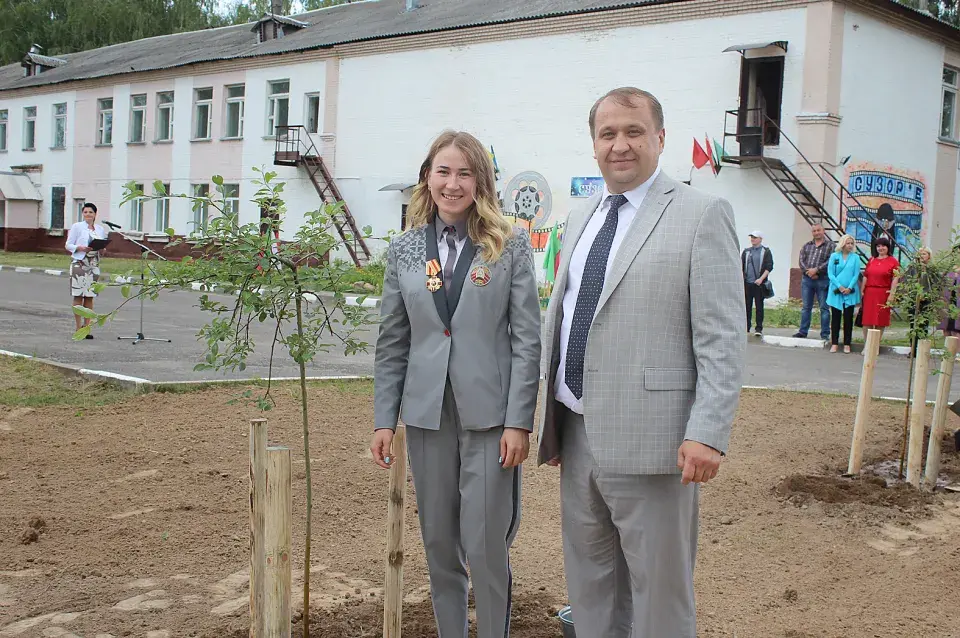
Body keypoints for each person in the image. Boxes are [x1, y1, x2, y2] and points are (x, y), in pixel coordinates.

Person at [536, 87, 745, 638]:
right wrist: (553, 421)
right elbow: (569, 319)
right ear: (594, 144)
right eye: (608, 134)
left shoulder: (702, 214)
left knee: (659, 599)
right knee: (590, 589)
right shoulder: (583, 218)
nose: (620, 145)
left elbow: (722, 336)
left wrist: (709, 431)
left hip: (658, 445)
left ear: (659, 137)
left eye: (633, 131)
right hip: (577, 435)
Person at [370, 130, 541, 638]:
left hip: (490, 419)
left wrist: (519, 422)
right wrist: (385, 418)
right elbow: (392, 341)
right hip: (426, 415)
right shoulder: (403, 249)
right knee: (440, 544)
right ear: (427, 177)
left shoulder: (507, 247)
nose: (453, 183)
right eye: (443, 171)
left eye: (464, 173)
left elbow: (527, 341)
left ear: (480, 181)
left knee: (486, 545)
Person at [65, 202, 107, 339]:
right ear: (82, 214)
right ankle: (78, 328)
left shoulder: (100, 229)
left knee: (89, 296)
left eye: (91, 212)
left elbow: (102, 246)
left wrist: (102, 249)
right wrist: (80, 247)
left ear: (95, 214)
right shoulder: (77, 227)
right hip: (79, 263)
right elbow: (68, 244)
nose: (88, 214)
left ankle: (87, 327)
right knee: (78, 296)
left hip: (93, 265)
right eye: (85, 212)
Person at [794, 224, 835, 340]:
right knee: (806, 307)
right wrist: (809, 272)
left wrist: (817, 270)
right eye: (814, 231)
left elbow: (830, 261)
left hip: (823, 280)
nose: (816, 233)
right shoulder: (807, 246)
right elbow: (801, 261)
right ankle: (802, 331)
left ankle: (825, 334)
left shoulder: (831, 246)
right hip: (807, 280)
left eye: (818, 230)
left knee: (824, 308)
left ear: (823, 231)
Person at [825, 234, 862, 354]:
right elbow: (831, 274)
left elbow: (856, 274)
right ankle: (834, 343)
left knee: (848, 318)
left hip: (850, 291)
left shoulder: (855, 257)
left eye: (852, 243)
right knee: (835, 318)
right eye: (848, 243)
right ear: (842, 244)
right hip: (836, 290)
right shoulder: (834, 256)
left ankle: (847, 343)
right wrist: (840, 287)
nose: (850, 245)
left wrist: (849, 287)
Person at [860, 235, 899, 342]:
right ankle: (867, 344)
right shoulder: (871, 260)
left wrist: (892, 294)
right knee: (867, 320)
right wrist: (862, 291)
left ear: (888, 247)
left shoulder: (893, 261)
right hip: (870, 293)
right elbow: (866, 276)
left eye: (883, 246)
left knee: (880, 320)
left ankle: (875, 345)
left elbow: (896, 278)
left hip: (883, 293)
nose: (880, 248)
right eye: (878, 246)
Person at [901, 247, 937, 357]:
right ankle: (912, 349)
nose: (922, 256)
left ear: (929, 256)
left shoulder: (932, 269)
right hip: (913, 300)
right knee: (913, 325)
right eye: (920, 254)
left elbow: (936, 285)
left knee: (923, 325)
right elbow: (906, 281)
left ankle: (922, 350)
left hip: (926, 300)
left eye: (924, 254)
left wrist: (927, 295)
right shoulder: (912, 268)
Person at [741, 230, 772, 337]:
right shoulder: (746, 252)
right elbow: (741, 266)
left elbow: (769, 267)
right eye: (752, 237)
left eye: (755, 237)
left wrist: (761, 279)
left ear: (760, 239)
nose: (753, 239)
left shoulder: (765, 251)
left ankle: (759, 328)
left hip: (759, 284)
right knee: (747, 306)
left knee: (759, 306)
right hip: (747, 283)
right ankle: (746, 326)